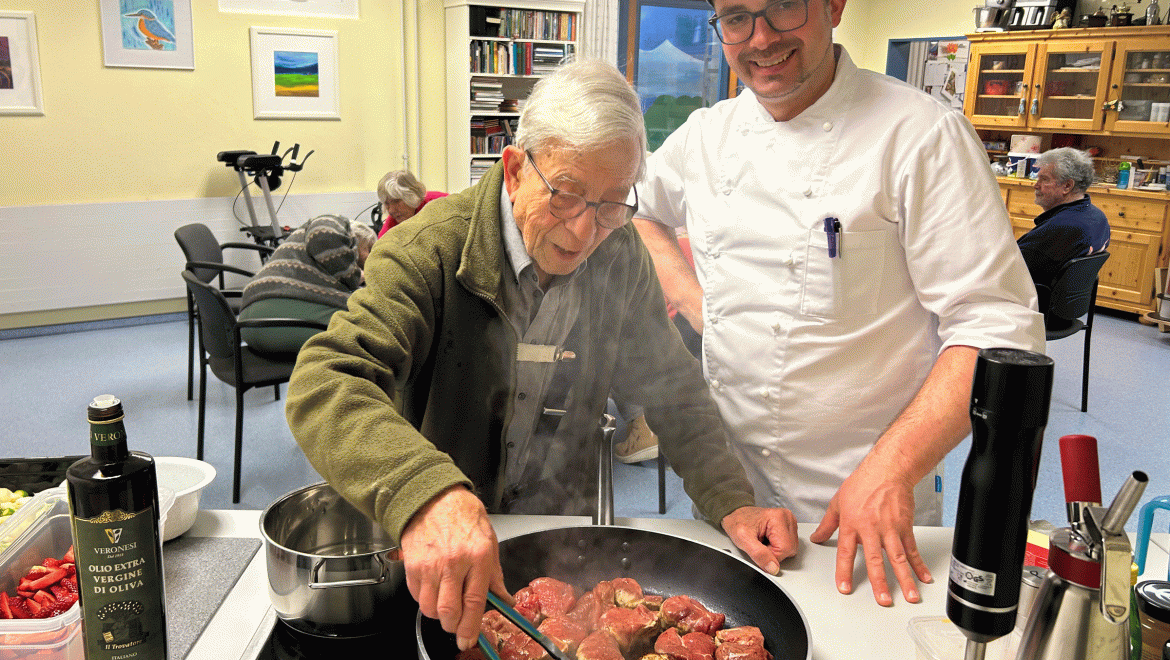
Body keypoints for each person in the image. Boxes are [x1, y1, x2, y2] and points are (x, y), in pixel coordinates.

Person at [285, 59, 798, 651]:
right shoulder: (427, 251)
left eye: (611, 203)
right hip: (444, 547)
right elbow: (326, 380)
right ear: (513, 170)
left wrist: (731, 499)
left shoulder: (622, 253)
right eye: (567, 196)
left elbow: (674, 391)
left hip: (560, 548)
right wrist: (425, 492)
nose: (585, 232)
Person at [632, 0, 1045, 607]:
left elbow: (998, 327)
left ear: (833, 6)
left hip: (862, 502)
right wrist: (699, 303)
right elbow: (640, 214)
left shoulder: (920, 134)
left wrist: (893, 470)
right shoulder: (705, 136)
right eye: (737, 19)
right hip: (729, 496)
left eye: (782, 9)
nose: (761, 38)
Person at [238, 215, 375, 356]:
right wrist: (359, 275)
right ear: (359, 238)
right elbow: (322, 235)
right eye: (370, 249)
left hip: (248, 324)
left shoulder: (303, 247)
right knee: (369, 332)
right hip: (275, 319)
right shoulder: (337, 225)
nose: (371, 256)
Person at [1017, 147, 1110, 305]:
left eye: (1044, 179)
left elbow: (1011, 267)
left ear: (1067, 186)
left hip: (1038, 309)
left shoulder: (1062, 227)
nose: (1036, 185)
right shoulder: (1097, 217)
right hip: (1068, 308)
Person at [375, 170, 447, 238]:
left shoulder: (441, 202)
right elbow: (380, 247)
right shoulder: (393, 223)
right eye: (387, 203)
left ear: (412, 196)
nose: (391, 210)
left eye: (396, 201)